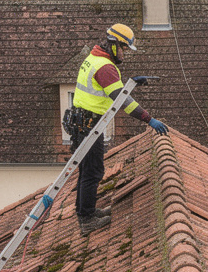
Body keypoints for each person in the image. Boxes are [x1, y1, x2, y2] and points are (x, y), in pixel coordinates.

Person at [68, 23, 168, 234]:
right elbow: (123, 101)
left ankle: (86, 210)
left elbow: (113, 89)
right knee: (93, 172)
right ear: (114, 45)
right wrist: (149, 120)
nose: (124, 54)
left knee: (86, 170)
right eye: (123, 48)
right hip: (89, 125)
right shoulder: (105, 67)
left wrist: (132, 82)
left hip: (82, 122)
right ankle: (87, 219)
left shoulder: (94, 58)